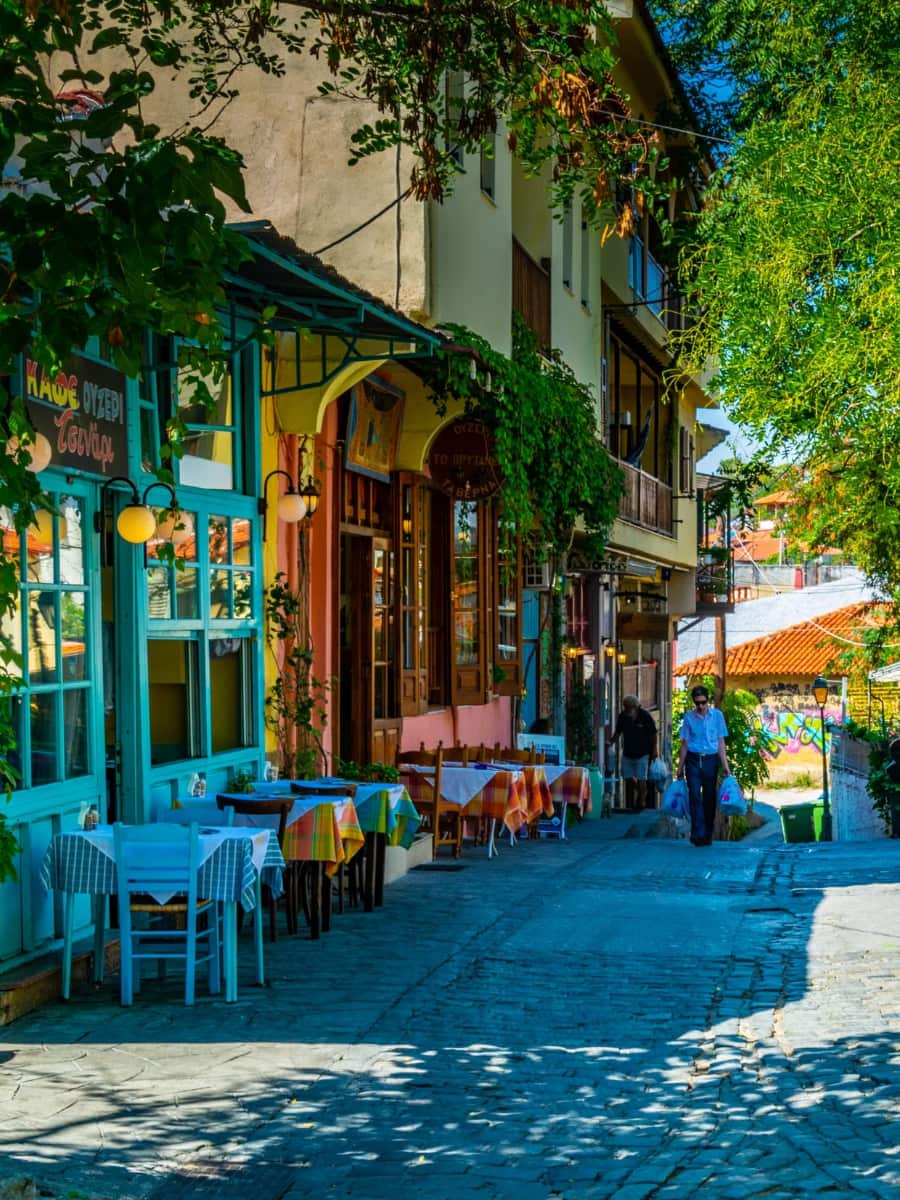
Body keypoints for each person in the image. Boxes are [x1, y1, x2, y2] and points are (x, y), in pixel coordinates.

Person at [677, 685, 731, 845]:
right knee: (694, 794)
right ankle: (697, 832)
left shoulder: (717, 716)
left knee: (709, 796)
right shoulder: (689, 717)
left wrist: (725, 766)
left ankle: (707, 832)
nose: (700, 706)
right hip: (693, 759)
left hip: (710, 759)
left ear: (708, 700)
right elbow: (685, 743)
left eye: (703, 702)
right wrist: (679, 767)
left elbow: (721, 742)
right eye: (697, 703)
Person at [611, 694, 658, 810]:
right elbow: (618, 732)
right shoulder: (623, 716)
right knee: (627, 777)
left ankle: (642, 799)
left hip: (643, 753)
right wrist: (610, 742)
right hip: (628, 753)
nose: (626, 709)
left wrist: (654, 749)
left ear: (635, 707)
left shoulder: (645, 716)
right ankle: (639, 792)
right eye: (625, 707)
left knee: (642, 777)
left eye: (628, 707)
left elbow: (653, 734)